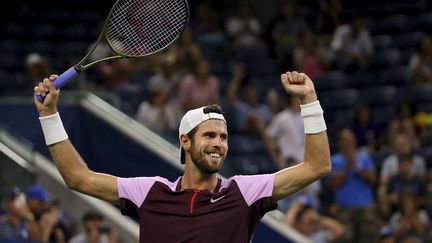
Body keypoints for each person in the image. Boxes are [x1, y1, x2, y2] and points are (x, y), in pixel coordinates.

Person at [33, 71, 331, 242]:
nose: (219, 144)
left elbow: (317, 166)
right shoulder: (150, 192)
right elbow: (78, 178)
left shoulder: (244, 192)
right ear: (185, 141)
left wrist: (309, 101)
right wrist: (49, 116)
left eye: (224, 137)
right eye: (210, 135)